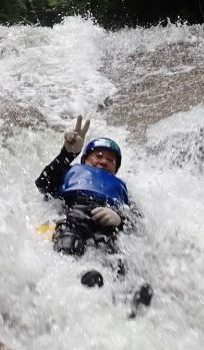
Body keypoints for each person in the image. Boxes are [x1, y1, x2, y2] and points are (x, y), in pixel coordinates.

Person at [36, 116, 152, 311]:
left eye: (110, 160)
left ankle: (126, 299)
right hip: (74, 214)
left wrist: (119, 218)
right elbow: (43, 184)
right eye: (98, 156)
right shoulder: (70, 171)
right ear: (85, 159)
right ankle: (75, 280)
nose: (104, 161)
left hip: (107, 222)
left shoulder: (122, 188)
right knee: (69, 241)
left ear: (115, 169)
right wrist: (66, 154)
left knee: (114, 257)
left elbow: (137, 223)